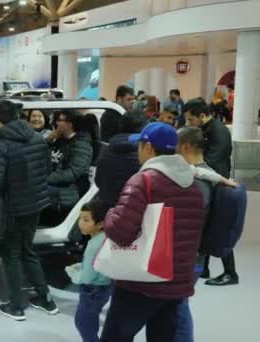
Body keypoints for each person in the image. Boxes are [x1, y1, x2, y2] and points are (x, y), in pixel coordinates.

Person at [100, 122, 205, 342]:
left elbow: (120, 232)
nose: (137, 151)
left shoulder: (144, 181)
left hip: (140, 282)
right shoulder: (194, 185)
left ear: (148, 148)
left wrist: (110, 214)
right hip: (176, 283)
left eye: (139, 145)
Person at [0, 100, 57, 321]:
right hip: (34, 205)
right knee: (28, 251)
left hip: (11, 209)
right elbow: (46, 170)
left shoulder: (0, 144)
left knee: (11, 256)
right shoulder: (37, 138)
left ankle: (16, 306)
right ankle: (45, 299)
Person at [174, 126, 237, 342]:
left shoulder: (197, 183)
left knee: (177, 308)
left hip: (188, 256)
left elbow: (188, 222)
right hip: (192, 255)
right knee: (175, 307)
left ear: (185, 146)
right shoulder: (205, 173)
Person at [184, 99, 238, 286]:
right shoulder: (207, 129)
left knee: (220, 228)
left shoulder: (219, 131)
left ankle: (230, 273)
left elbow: (212, 162)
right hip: (212, 181)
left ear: (201, 116)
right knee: (206, 225)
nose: (189, 124)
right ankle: (204, 267)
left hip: (219, 184)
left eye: (191, 120)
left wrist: (193, 168)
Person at [67, 200, 112, 342]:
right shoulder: (104, 238)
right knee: (90, 322)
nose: (81, 223)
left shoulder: (93, 245)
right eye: (80, 218)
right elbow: (96, 264)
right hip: (104, 286)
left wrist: (72, 272)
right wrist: (82, 266)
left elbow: (86, 278)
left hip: (91, 290)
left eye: (86, 220)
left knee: (83, 323)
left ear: (100, 224)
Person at [95, 111, 147, 213]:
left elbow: (98, 180)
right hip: (134, 211)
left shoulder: (107, 149)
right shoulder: (145, 154)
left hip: (108, 209)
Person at [47, 110, 93, 208]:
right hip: (55, 183)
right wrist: (48, 141)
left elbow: (71, 173)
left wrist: (45, 178)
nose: (56, 123)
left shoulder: (81, 145)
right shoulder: (59, 140)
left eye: (60, 120)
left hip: (70, 190)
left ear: (70, 124)